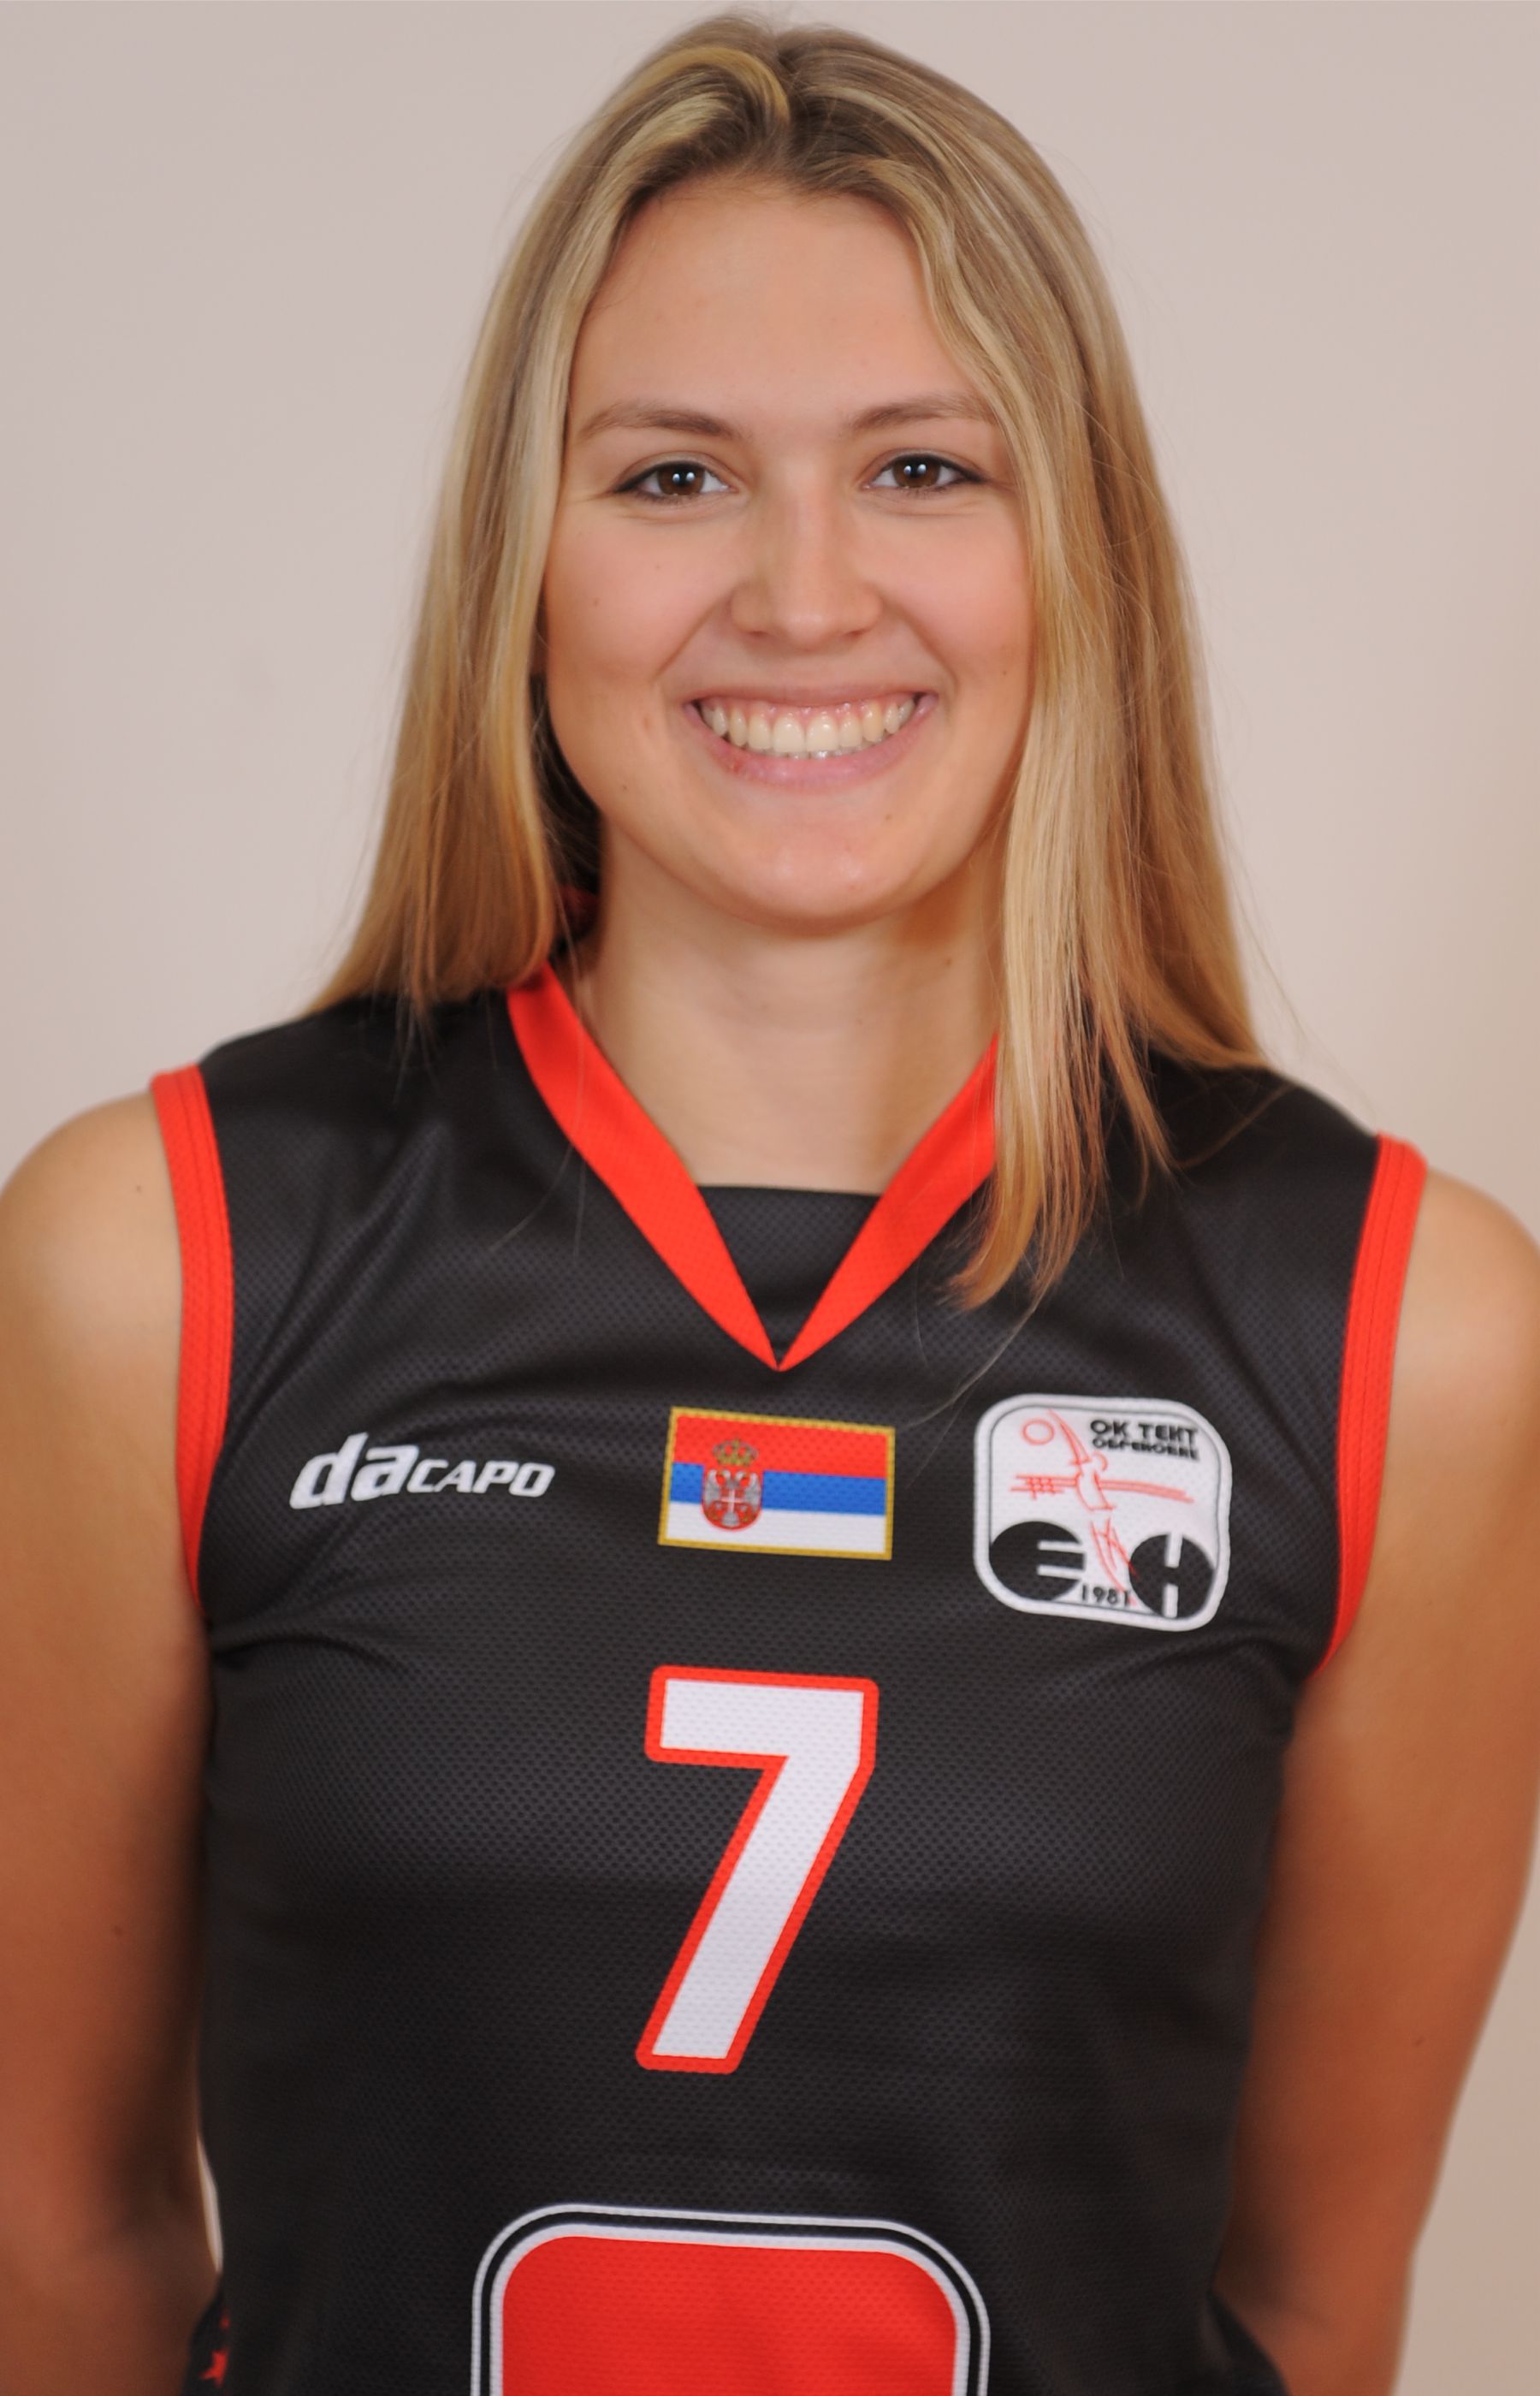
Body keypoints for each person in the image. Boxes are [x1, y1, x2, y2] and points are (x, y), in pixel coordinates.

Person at [1, 14, 1537, 2396]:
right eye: (675, 475)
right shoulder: (159, 1262)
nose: (805, 596)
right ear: (524, 566)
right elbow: (61, 2225)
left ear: (1075, 556)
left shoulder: (1399, 1330)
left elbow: (1307, 2308)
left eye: (923, 467)